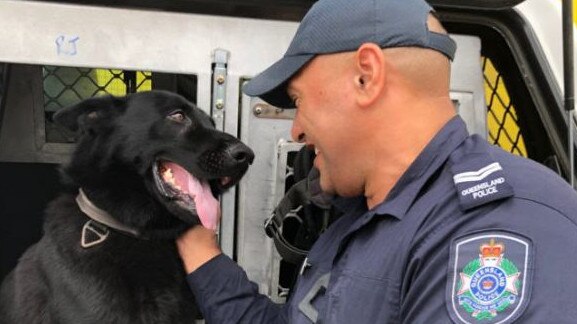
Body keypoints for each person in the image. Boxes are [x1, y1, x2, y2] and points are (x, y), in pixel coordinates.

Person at [176, 0, 577, 322]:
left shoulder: (497, 227)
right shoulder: (363, 219)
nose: (296, 130)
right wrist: (199, 248)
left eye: (298, 100)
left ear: (366, 77)